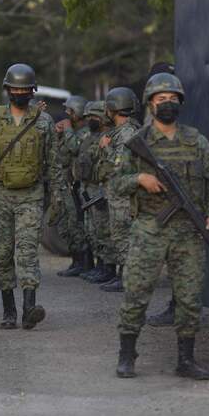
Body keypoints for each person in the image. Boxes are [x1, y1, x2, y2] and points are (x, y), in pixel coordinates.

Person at [114, 73, 209, 380]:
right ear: (150, 104)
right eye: (161, 99)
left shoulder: (196, 141)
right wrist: (139, 178)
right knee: (136, 293)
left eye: (173, 99)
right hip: (149, 229)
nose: (167, 104)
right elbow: (115, 183)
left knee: (189, 298)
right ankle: (127, 354)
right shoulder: (138, 144)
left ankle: (186, 359)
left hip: (189, 232)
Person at [0, 63, 61, 330]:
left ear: (32, 91)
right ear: (7, 90)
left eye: (24, 90)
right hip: (0, 193)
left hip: (31, 195)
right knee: (1, 254)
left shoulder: (43, 122)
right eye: (15, 89)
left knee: (27, 252)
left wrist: (58, 198)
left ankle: (28, 309)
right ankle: (8, 310)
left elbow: (54, 164)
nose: (19, 94)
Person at [96, 87, 141, 292]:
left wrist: (106, 147)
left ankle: (127, 278)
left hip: (124, 195)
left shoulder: (127, 132)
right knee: (119, 236)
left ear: (114, 107)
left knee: (124, 236)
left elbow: (121, 163)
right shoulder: (121, 131)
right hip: (117, 192)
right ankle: (124, 276)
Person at [76, 101, 116, 284]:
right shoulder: (89, 136)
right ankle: (100, 264)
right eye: (88, 117)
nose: (90, 120)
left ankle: (108, 267)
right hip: (87, 186)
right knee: (93, 230)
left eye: (94, 117)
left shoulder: (109, 137)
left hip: (99, 187)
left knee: (103, 229)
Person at [53, 95, 92, 277]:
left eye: (70, 111)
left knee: (78, 224)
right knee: (68, 224)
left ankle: (84, 262)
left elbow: (76, 148)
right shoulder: (72, 132)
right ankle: (76, 261)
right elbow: (61, 156)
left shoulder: (85, 132)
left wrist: (67, 130)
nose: (67, 115)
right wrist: (59, 134)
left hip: (78, 186)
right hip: (67, 184)